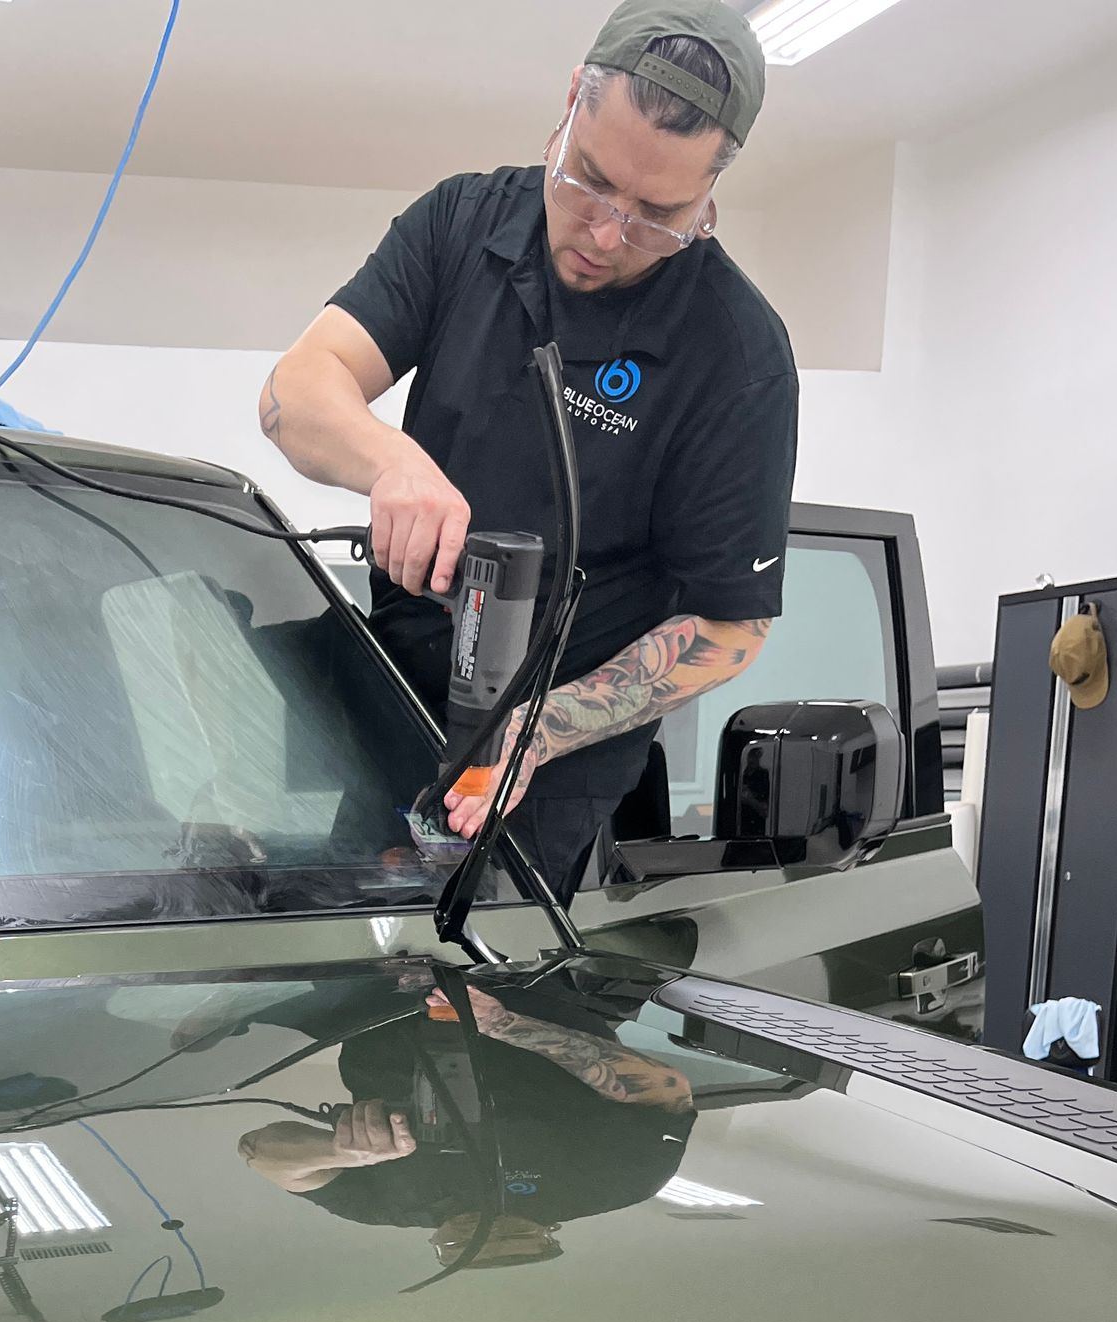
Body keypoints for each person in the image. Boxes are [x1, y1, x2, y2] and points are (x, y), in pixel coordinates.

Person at [260, 0, 798, 902]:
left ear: (709, 199)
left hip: (546, 763)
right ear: (567, 111)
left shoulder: (736, 356)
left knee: (470, 1004)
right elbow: (295, 391)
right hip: (391, 693)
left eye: (656, 216)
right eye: (587, 182)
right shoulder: (463, 223)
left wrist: (539, 731)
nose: (604, 235)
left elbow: (731, 626)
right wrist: (393, 462)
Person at [240, 979, 694, 1273]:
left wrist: (340, 1153)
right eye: (511, 1239)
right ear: (547, 1233)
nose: (485, 1232)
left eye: (461, 1246)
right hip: (532, 976)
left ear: (437, 1247)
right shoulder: (616, 1183)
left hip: (371, 996)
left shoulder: (386, 1207)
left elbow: (259, 1152)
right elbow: (663, 1088)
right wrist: (503, 1022)